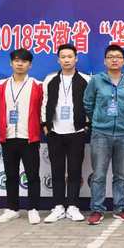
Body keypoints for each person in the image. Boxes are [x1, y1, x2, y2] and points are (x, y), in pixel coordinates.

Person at [83, 44, 124, 225]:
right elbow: (88, 103)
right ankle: (97, 210)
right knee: (99, 174)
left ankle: (120, 208)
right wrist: (99, 119)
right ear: (105, 61)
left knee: (121, 174)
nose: (114, 60)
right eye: (110, 57)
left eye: (118, 57)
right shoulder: (96, 80)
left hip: (123, 134)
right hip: (100, 133)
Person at [41, 44, 91, 223]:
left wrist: (86, 125)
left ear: (76, 59)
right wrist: (45, 125)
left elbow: (90, 104)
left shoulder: (86, 79)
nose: (67, 60)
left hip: (76, 132)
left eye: (70, 56)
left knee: (75, 171)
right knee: (57, 171)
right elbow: (44, 102)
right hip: (55, 132)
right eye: (63, 57)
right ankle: (58, 207)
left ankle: (73, 206)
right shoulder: (50, 79)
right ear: (58, 60)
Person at [0, 48, 43, 224]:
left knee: (32, 175)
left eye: (24, 61)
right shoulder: (1, 85)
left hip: (29, 137)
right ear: (11, 63)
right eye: (16, 60)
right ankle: (12, 209)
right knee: (11, 175)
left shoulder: (37, 85)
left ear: (30, 65)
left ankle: (33, 209)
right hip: (8, 137)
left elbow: (41, 109)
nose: (20, 64)